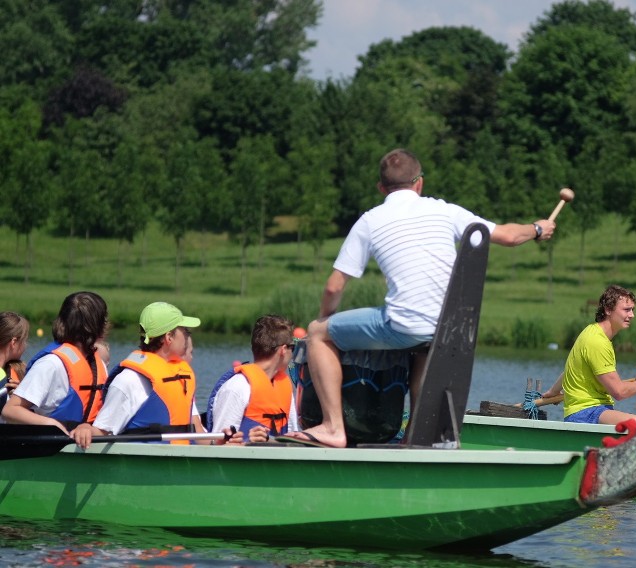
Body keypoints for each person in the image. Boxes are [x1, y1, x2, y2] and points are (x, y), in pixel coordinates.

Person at [289, 148, 556, 448]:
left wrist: (326, 319)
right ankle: (417, 436)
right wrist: (536, 229)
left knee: (316, 333)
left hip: (404, 328)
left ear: (381, 188)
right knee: (424, 347)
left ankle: (333, 427)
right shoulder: (446, 211)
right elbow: (507, 235)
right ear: (419, 183)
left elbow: (334, 287)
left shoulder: (370, 220)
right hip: (450, 329)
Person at [73, 302, 213, 449]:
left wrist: (220, 442)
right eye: (184, 331)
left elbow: (197, 431)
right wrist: (85, 428)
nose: (187, 336)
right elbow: (102, 431)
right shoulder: (129, 381)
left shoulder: (180, 378)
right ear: (169, 337)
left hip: (179, 464)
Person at [2, 292, 109, 446]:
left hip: (85, 446)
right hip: (51, 447)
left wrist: (87, 428)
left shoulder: (98, 366)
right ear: (100, 326)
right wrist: (52, 424)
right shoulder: (51, 364)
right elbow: (10, 410)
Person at [541, 285, 636, 425]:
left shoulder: (591, 331)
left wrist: (553, 391)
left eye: (632, 309)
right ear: (608, 310)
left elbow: (574, 367)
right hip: (585, 413)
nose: (632, 315)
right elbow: (619, 392)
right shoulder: (597, 342)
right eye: (626, 310)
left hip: (594, 410)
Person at [206, 315, 296, 443]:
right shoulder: (237, 387)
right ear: (283, 350)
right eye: (293, 348)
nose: (293, 354)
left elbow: (293, 437)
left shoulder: (285, 387)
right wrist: (247, 441)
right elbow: (217, 446)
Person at [0, 312, 29, 415]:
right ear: (14, 342)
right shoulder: (2, 377)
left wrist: (18, 398)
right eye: (24, 340)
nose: (26, 346)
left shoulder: (14, 371)